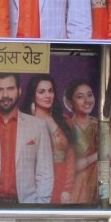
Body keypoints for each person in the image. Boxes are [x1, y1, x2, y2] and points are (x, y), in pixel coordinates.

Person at [0, 73, 53, 204]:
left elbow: (45, 172)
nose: (5, 95)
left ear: (19, 91)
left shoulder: (37, 125)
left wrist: (38, 208)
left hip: (26, 205)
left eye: (10, 88)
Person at [22, 74, 75, 204]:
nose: (47, 95)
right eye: (42, 92)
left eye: (50, 91)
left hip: (61, 179)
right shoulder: (25, 121)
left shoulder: (64, 121)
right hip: (35, 182)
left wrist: (67, 189)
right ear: (33, 95)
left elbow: (71, 156)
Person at [64, 78, 99, 204]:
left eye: (89, 95)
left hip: (97, 191)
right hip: (74, 192)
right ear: (70, 102)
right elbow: (68, 167)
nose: (87, 100)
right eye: (80, 97)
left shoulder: (101, 126)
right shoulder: (66, 127)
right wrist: (98, 155)